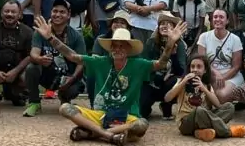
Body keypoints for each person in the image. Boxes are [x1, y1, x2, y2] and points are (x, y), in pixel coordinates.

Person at [43, 17, 187, 145]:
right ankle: (108, 136)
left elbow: (161, 64)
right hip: (101, 114)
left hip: (126, 117)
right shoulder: (100, 61)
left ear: (129, 49)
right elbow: (73, 56)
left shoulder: (138, 64)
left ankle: (93, 133)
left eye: (122, 46)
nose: (118, 49)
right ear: (110, 48)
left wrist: (170, 43)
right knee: (65, 108)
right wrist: (51, 38)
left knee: (142, 125)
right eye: (115, 45)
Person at [23, 0, 87, 116]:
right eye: (55, 11)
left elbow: (81, 62)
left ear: (69, 15)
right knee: (31, 68)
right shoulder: (40, 31)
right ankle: (34, 102)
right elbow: (33, 53)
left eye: (62, 12)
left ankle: (65, 99)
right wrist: (39, 59)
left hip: (67, 75)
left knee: (73, 88)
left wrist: (72, 78)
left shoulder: (76, 36)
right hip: (47, 73)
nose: (57, 14)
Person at [166, 55, 245, 141]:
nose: (195, 69)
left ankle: (199, 132)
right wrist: (183, 82)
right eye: (192, 66)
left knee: (229, 107)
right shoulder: (182, 82)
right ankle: (227, 131)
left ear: (205, 70)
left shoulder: (207, 85)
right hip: (186, 123)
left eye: (199, 67)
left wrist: (204, 89)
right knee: (199, 110)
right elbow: (167, 98)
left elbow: (218, 105)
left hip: (204, 119)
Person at [140, 13, 189, 120]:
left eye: (168, 24)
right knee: (142, 113)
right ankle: (147, 106)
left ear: (174, 28)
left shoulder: (180, 44)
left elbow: (181, 71)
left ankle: (167, 105)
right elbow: (144, 66)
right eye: (162, 23)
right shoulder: (151, 42)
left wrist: (174, 55)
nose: (164, 26)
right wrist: (158, 76)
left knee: (178, 80)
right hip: (151, 82)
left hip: (168, 83)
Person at [0, 0, 34, 106]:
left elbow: (30, 55)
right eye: (6, 11)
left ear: (20, 14)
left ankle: (14, 92)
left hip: (17, 71)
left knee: (30, 73)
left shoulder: (28, 32)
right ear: (1, 13)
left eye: (13, 12)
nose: (9, 14)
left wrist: (15, 72)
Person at [198, 9, 245, 101]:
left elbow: (236, 66)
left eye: (221, 17)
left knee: (222, 95)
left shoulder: (235, 39)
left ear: (227, 21)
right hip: (210, 74)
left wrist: (222, 77)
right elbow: (202, 62)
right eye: (215, 17)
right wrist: (216, 73)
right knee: (210, 93)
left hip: (231, 76)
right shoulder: (204, 37)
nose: (217, 19)